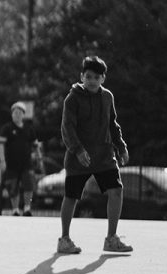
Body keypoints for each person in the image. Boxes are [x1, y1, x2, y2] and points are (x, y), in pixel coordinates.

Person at [58, 56, 132, 254]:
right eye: (88, 76)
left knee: (116, 190)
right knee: (72, 196)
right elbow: (67, 128)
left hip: (104, 156)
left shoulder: (107, 97)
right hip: (79, 157)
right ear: (82, 76)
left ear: (103, 79)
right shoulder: (72, 99)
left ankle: (111, 239)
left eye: (96, 77)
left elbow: (112, 124)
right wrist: (78, 150)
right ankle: (64, 239)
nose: (92, 80)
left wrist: (121, 146)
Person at [0, 101, 41, 216]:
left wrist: (39, 158)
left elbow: (35, 145)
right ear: (12, 114)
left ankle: (27, 208)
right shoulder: (6, 128)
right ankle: (15, 209)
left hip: (27, 163)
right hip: (11, 163)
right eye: (14, 113)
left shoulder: (29, 128)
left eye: (19, 112)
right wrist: (2, 161)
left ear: (23, 114)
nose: (16, 115)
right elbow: (0, 145)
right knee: (12, 187)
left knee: (29, 186)